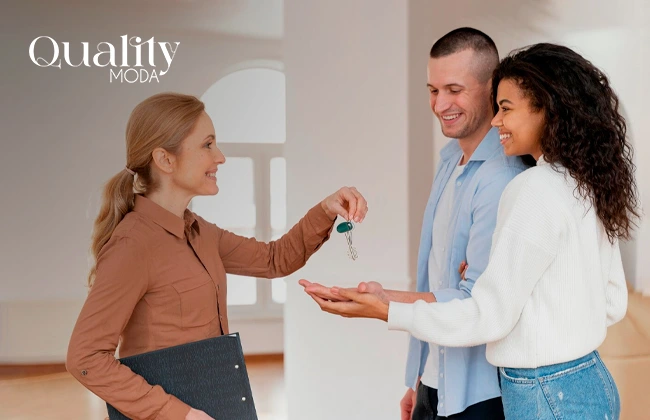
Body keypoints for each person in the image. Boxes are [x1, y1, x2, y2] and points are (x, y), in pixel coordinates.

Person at [301, 43, 640, 420]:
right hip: (590, 381)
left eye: (506, 108)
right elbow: (612, 302)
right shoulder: (585, 182)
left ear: (547, 109)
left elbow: (488, 316)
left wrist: (387, 310)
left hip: (545, 394)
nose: (497, 121)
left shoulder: (530, 189)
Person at [66, 92, 368, 420]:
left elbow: (274, 259)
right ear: (165, 160)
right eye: (208, 145)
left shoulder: (200, 232)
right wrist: (178, 415)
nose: (220, 157)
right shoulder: (132, 246)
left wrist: (326, 210)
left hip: (217, 406)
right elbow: (86, 358)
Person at [303, 27, 528, 419]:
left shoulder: (502, 178)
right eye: (433, 90)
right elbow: (437, 284)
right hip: (437, 381)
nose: (441, 104)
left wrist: (383, 302)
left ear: (492, 88)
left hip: (481, 396)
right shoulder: (449, 161)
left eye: (454, 90)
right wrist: (421, 378)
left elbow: (474, 304)